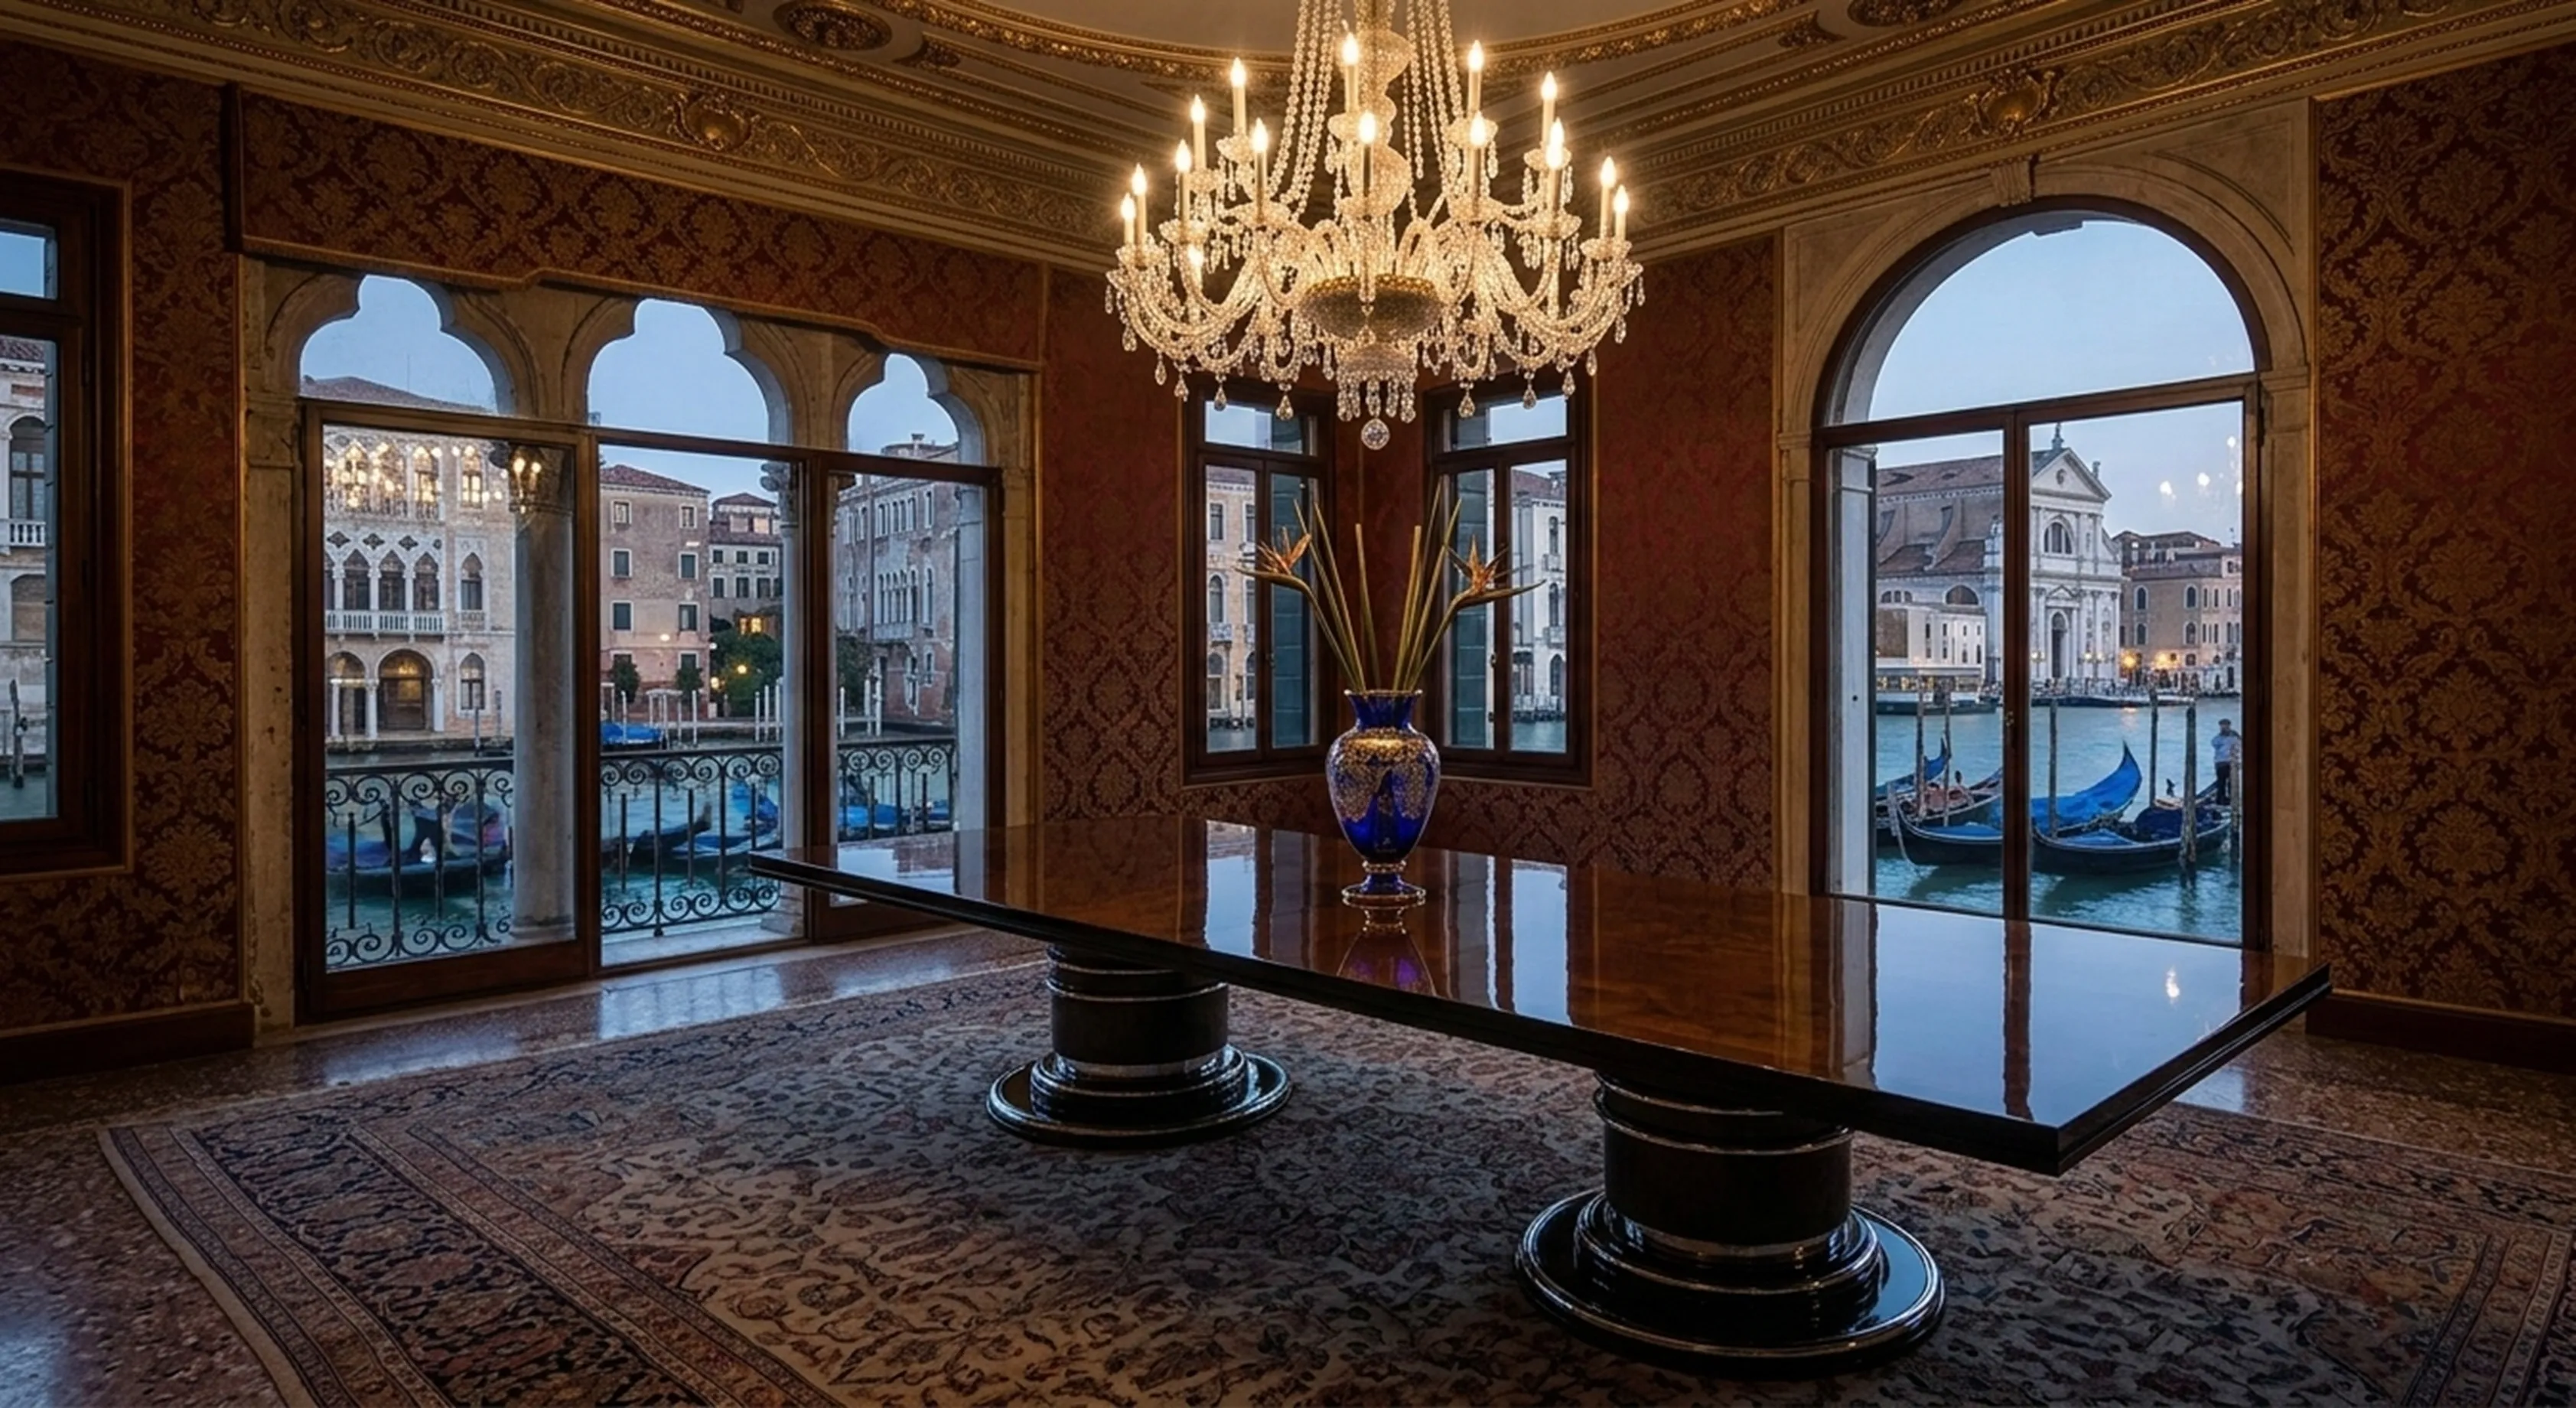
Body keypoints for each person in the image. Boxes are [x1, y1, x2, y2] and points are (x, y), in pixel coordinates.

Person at [2211, 719, 2243, 803]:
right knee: (2221, 782)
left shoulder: (2234, 737)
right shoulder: (2218, 738)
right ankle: (2220, 799)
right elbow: (2214, 744)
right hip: (2221, 762)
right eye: (2222, 726)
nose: (2224, 728)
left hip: (2231, 762)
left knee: (2231, 782)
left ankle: (2232, 799)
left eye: (2225, 726)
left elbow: (2239, 746)